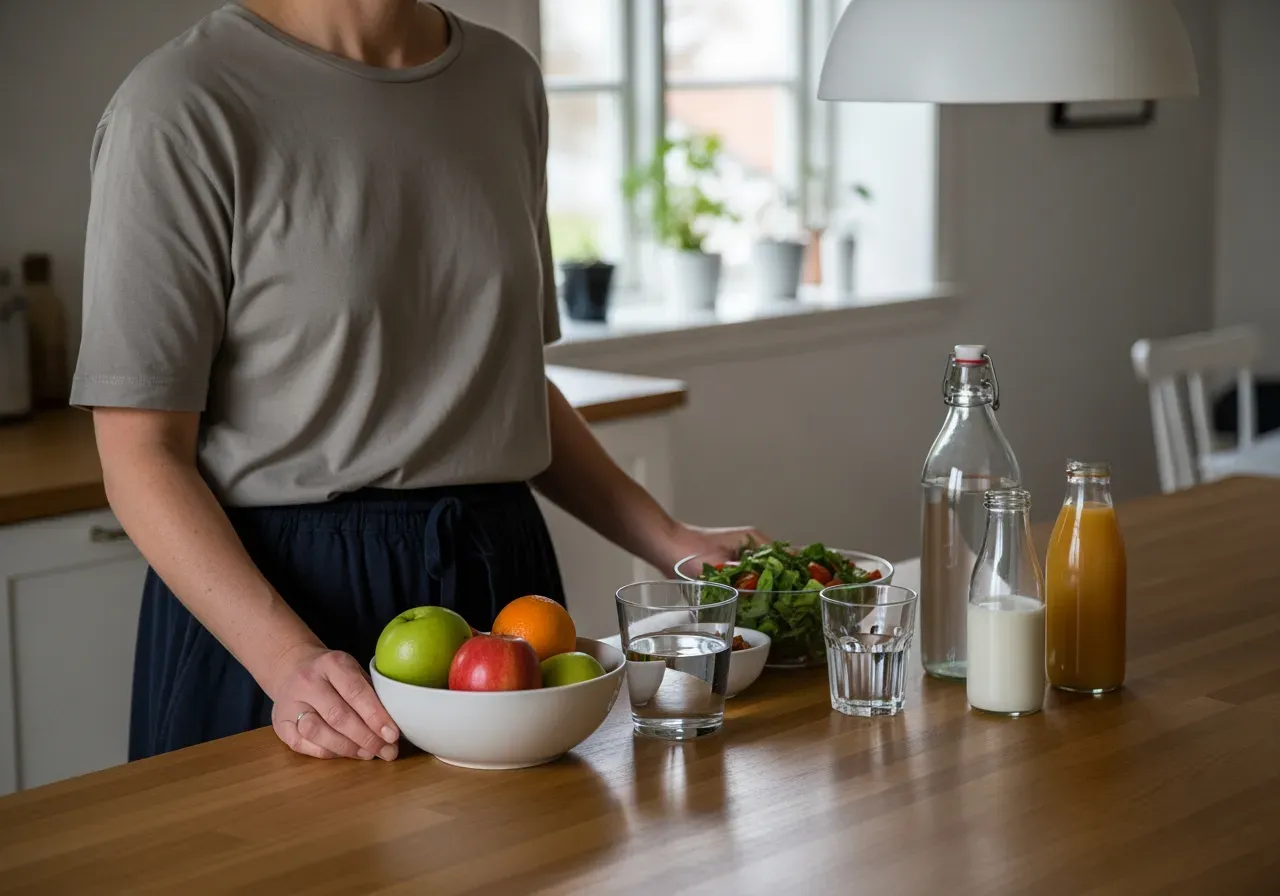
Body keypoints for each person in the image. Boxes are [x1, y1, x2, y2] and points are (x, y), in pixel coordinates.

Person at [73, 0, 764, 764]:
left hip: (500, 587)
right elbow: (140, 455)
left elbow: (504, 380)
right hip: (274, 610)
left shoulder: (505, 82)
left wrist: (672, 542)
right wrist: (287, 660)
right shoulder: (179, 104)